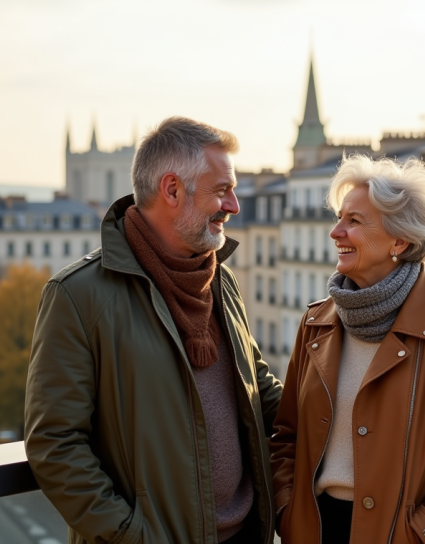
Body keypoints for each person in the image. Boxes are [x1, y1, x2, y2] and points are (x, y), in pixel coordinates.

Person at [25, 117, 283, 544]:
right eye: (222, 190)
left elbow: (260, 390)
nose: (234, 205)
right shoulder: (78, 295)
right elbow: (56, 446)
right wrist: (134, 537)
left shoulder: (221, 281)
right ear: (172, 189)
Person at [270, 154, 425, 544]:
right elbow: (286, 437)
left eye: (354, 221)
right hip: (315, 531)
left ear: (400, 240)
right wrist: (286, 511)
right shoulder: (315, 323)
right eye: (339, 218)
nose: (335, 232)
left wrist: (420, 533)